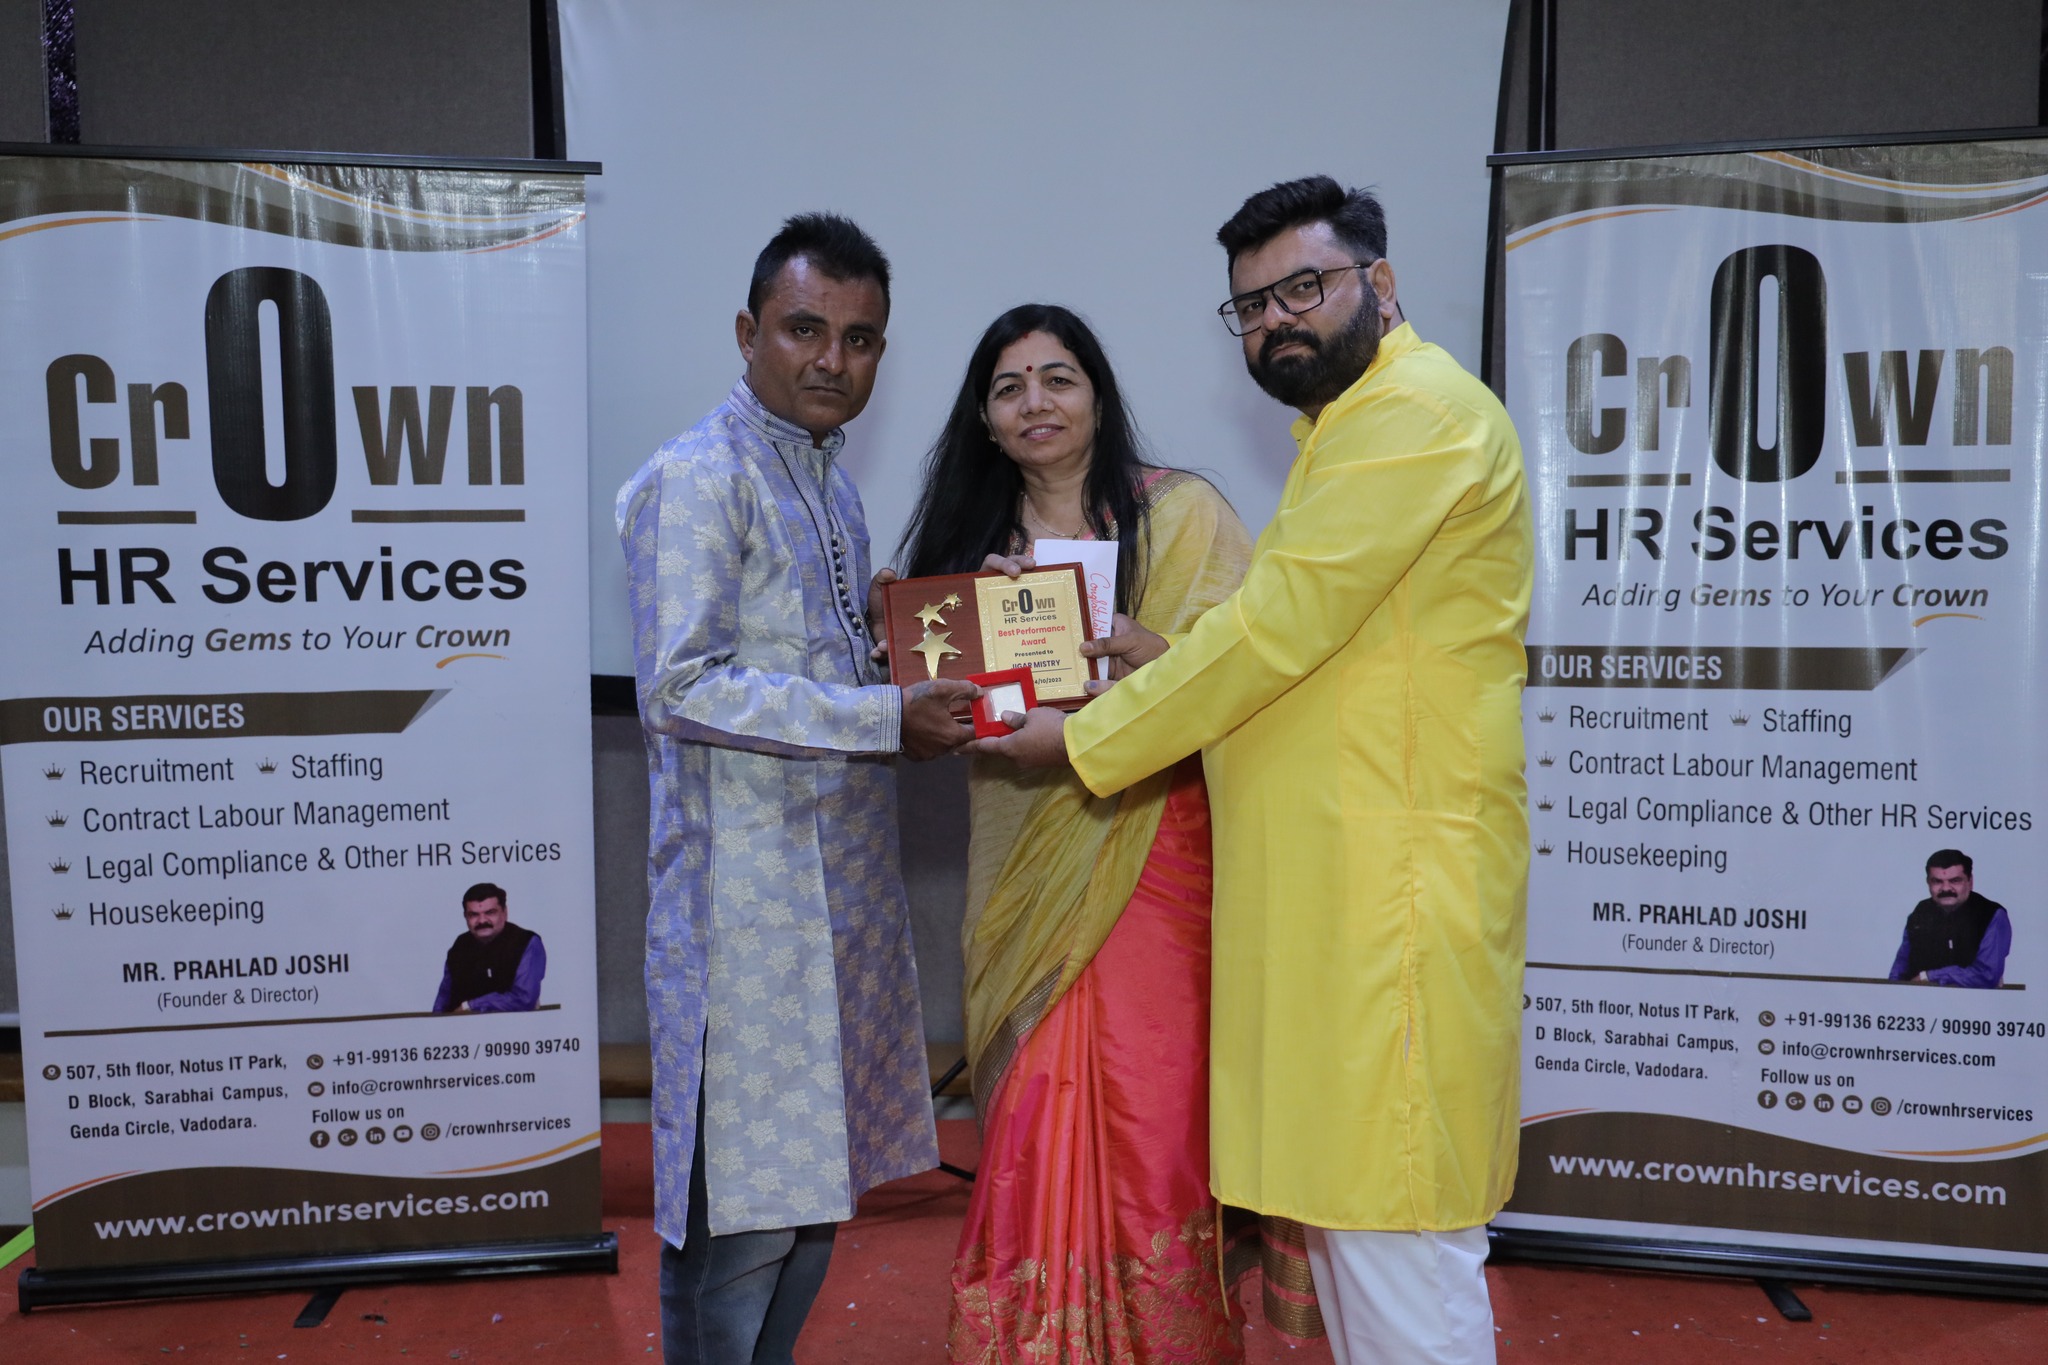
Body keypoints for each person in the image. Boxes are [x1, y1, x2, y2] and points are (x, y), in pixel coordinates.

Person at [970, 176, 1533, 1365]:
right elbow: (1301, 643)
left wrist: (1080, 739)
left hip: (1390, 895)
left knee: (1396, 1235)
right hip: (1336, 893)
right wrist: (1159, 666)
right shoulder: (1346, 431)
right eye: (1252, 305)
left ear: (1380, 285)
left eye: (1303, 288)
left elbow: (1277, 629)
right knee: (1354, 1224)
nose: (1277, 318)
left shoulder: (1414, 413)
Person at [617, 213, 976, 1365]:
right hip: (745, 916)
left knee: (813, 1202)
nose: (832, 360)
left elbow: (808, 671)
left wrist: (901, 656)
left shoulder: (829, 486)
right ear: (748, 333)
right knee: (741, 1225)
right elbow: (683, 688)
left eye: (859, 341)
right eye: (804, 330)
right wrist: (880, 716)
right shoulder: (698, 477)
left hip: (838, 901)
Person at [897, 303, 1255, 1361]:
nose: (1035, 402)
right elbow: (941, 720)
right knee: (1034, 1109)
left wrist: (1145, 650)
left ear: (1097, 395)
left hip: (1157, 855)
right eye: (1009, 388)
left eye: (1058, 378)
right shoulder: (967, 551)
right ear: (985, 418)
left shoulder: (1181, 516)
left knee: (1151, 1109)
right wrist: (924, 688)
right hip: (1023, 855)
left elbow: (1240, 683)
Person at [1888, 850, 2011, 988]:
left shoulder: (1992, 914)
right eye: (1937, 881)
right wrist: (1892, 989)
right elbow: (1901, 966)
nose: (1946, 888)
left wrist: (1929, 977)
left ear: (1970, 881)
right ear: (1928, 883)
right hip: (1920, 998)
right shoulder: (1920, 913)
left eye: (1955, 881)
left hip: (1973, 1000)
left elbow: (1987, 975)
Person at [430, 881, 545, 1013]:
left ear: (505, 912)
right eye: (474, 915)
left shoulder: (526, 942)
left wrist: (470, 1006)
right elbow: (444, 998)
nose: (482, 921)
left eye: (490, 912)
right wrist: (436, 1021)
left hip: (512, 1024)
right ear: (465, 917)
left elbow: (524, 999)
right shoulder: (460, 946)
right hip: (461, 1025)